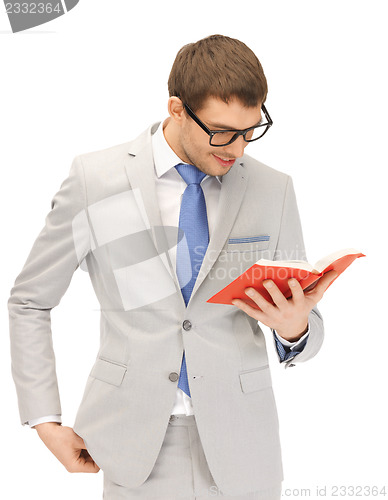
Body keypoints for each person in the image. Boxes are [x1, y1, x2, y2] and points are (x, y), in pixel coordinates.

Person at [8, 34, 337, 499]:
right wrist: (43, 420)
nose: (237, 150)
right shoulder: (95, 179)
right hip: (129, 444)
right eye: (222, 132)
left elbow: (306, 330)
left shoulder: (273, 188)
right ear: (177, 108)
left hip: (245, 449)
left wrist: (294, 329)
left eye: (249, 131)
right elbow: (29, 301)